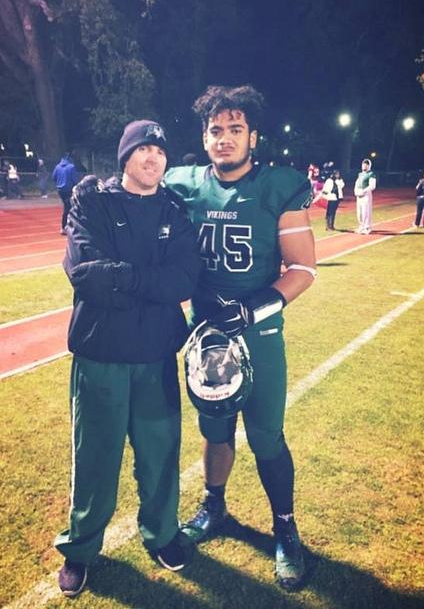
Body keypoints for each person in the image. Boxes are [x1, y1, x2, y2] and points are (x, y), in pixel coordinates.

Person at [165, 85, 316, 592]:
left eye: (235, 129)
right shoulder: (184, 183)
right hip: (206, 335)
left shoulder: (278, 186)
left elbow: (303, 268)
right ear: (203, 138)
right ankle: (215, 507)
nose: (224, 139)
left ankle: (286, 529)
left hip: (260, 331)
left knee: (267, 436)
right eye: (215, 130)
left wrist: (253, 307)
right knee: (216, 432)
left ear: (253, 135)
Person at [54, 120, 201, 598]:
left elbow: (183, 279)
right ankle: (80, 549)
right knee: (95, 457)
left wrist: (125, 280)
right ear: (125, 157)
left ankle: (162, 534)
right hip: (101, 356)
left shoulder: (175, 210)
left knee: (159, 456)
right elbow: (84, 272)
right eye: (144, 149)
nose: (153, 157)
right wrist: (148, 284)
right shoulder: (91, 199)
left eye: (160, 150)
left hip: (155, 356)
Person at [52, 153, 79, 233]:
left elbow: (54, 177)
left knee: (67, 207)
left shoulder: (57, 167)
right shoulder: (71, 167)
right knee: (70, 208)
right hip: (69, 189)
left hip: (60, 190)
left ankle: (66, 226)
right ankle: (68, 226)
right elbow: (74, 179)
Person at [354, 158, 376, 234]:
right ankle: (361, 226)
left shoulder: (371, 174)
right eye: (363, 164)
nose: (364, 166)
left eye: (366, 164)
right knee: (359, 212)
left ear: (369, 166)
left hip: (366, 194)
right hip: (359, 194)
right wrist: (356, 191)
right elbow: (357, 183)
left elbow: (372, 185)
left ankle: (367, 227)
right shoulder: (360, 174)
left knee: (366, 211)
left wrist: (364, 191)